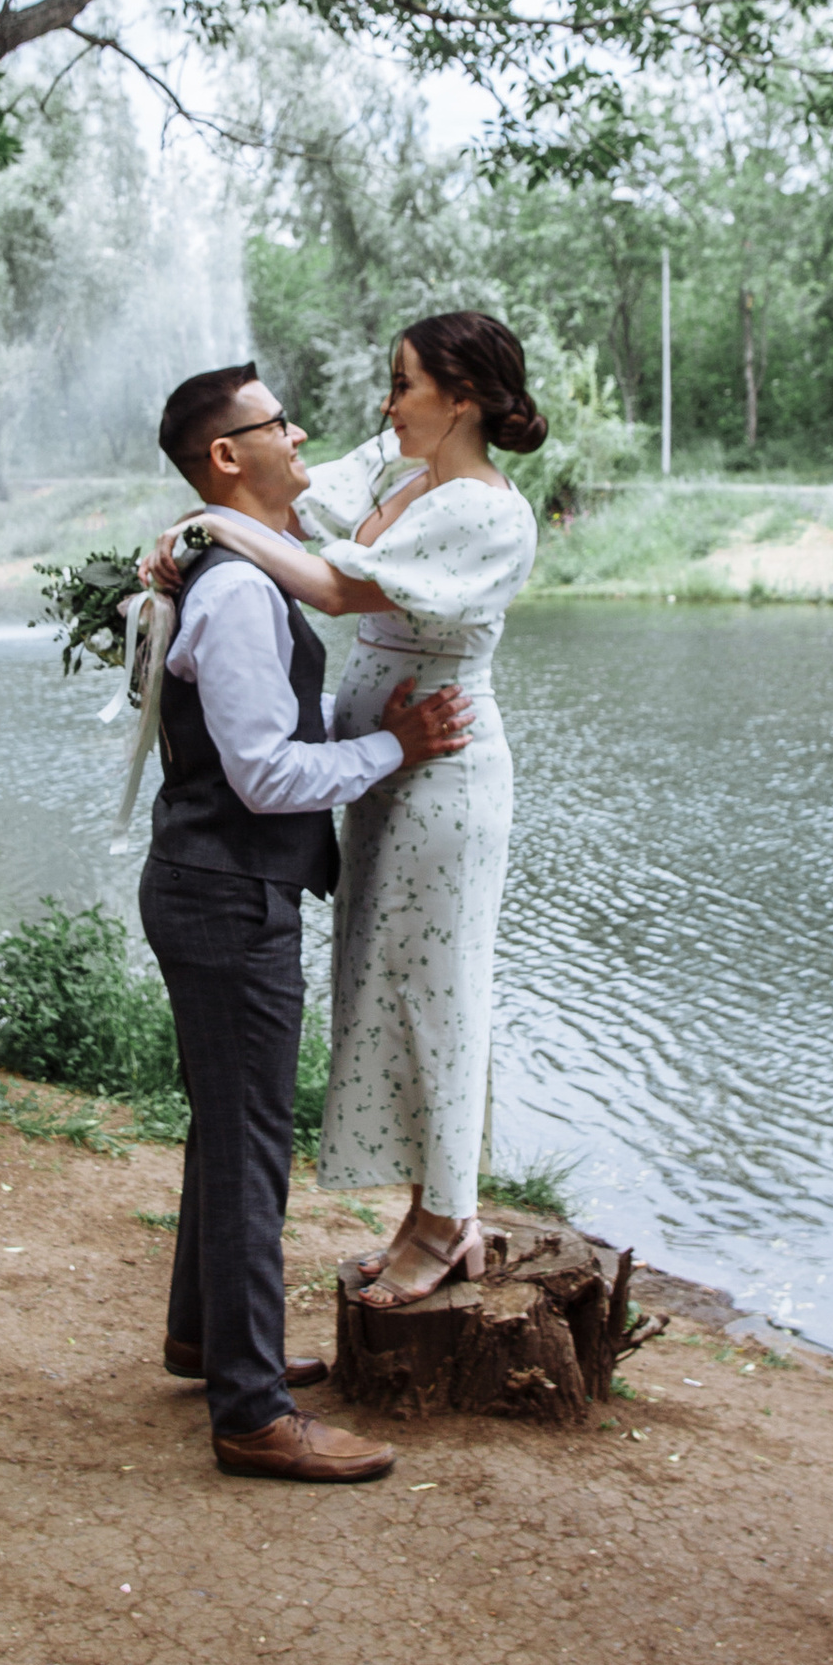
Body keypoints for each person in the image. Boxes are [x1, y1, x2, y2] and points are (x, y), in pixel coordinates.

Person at [138, 362, 470, 1482]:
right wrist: (393, 747)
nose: (299, 436)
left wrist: (366, 724)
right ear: (227, 455)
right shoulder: (237, 589)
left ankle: (205, 1340)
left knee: (223, 1128)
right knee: (250, 1146)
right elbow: (266, 775)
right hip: (227, 895)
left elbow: (261, 724)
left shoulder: (232, 564)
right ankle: (252, 1413)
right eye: (279, 423)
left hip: (211, 884)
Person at [174, 311, 543, 1305]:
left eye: (404, 383)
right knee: (390, 981)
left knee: (440, 990)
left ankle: (449, 1222)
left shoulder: (487, 512)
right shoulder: (396, 467)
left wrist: (213, 526)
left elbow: (335, 592)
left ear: (461, 399)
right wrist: (207, 529)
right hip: (386, 771)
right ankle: (428, 1209)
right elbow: (294, 505)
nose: (387, 403)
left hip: (442, 772)